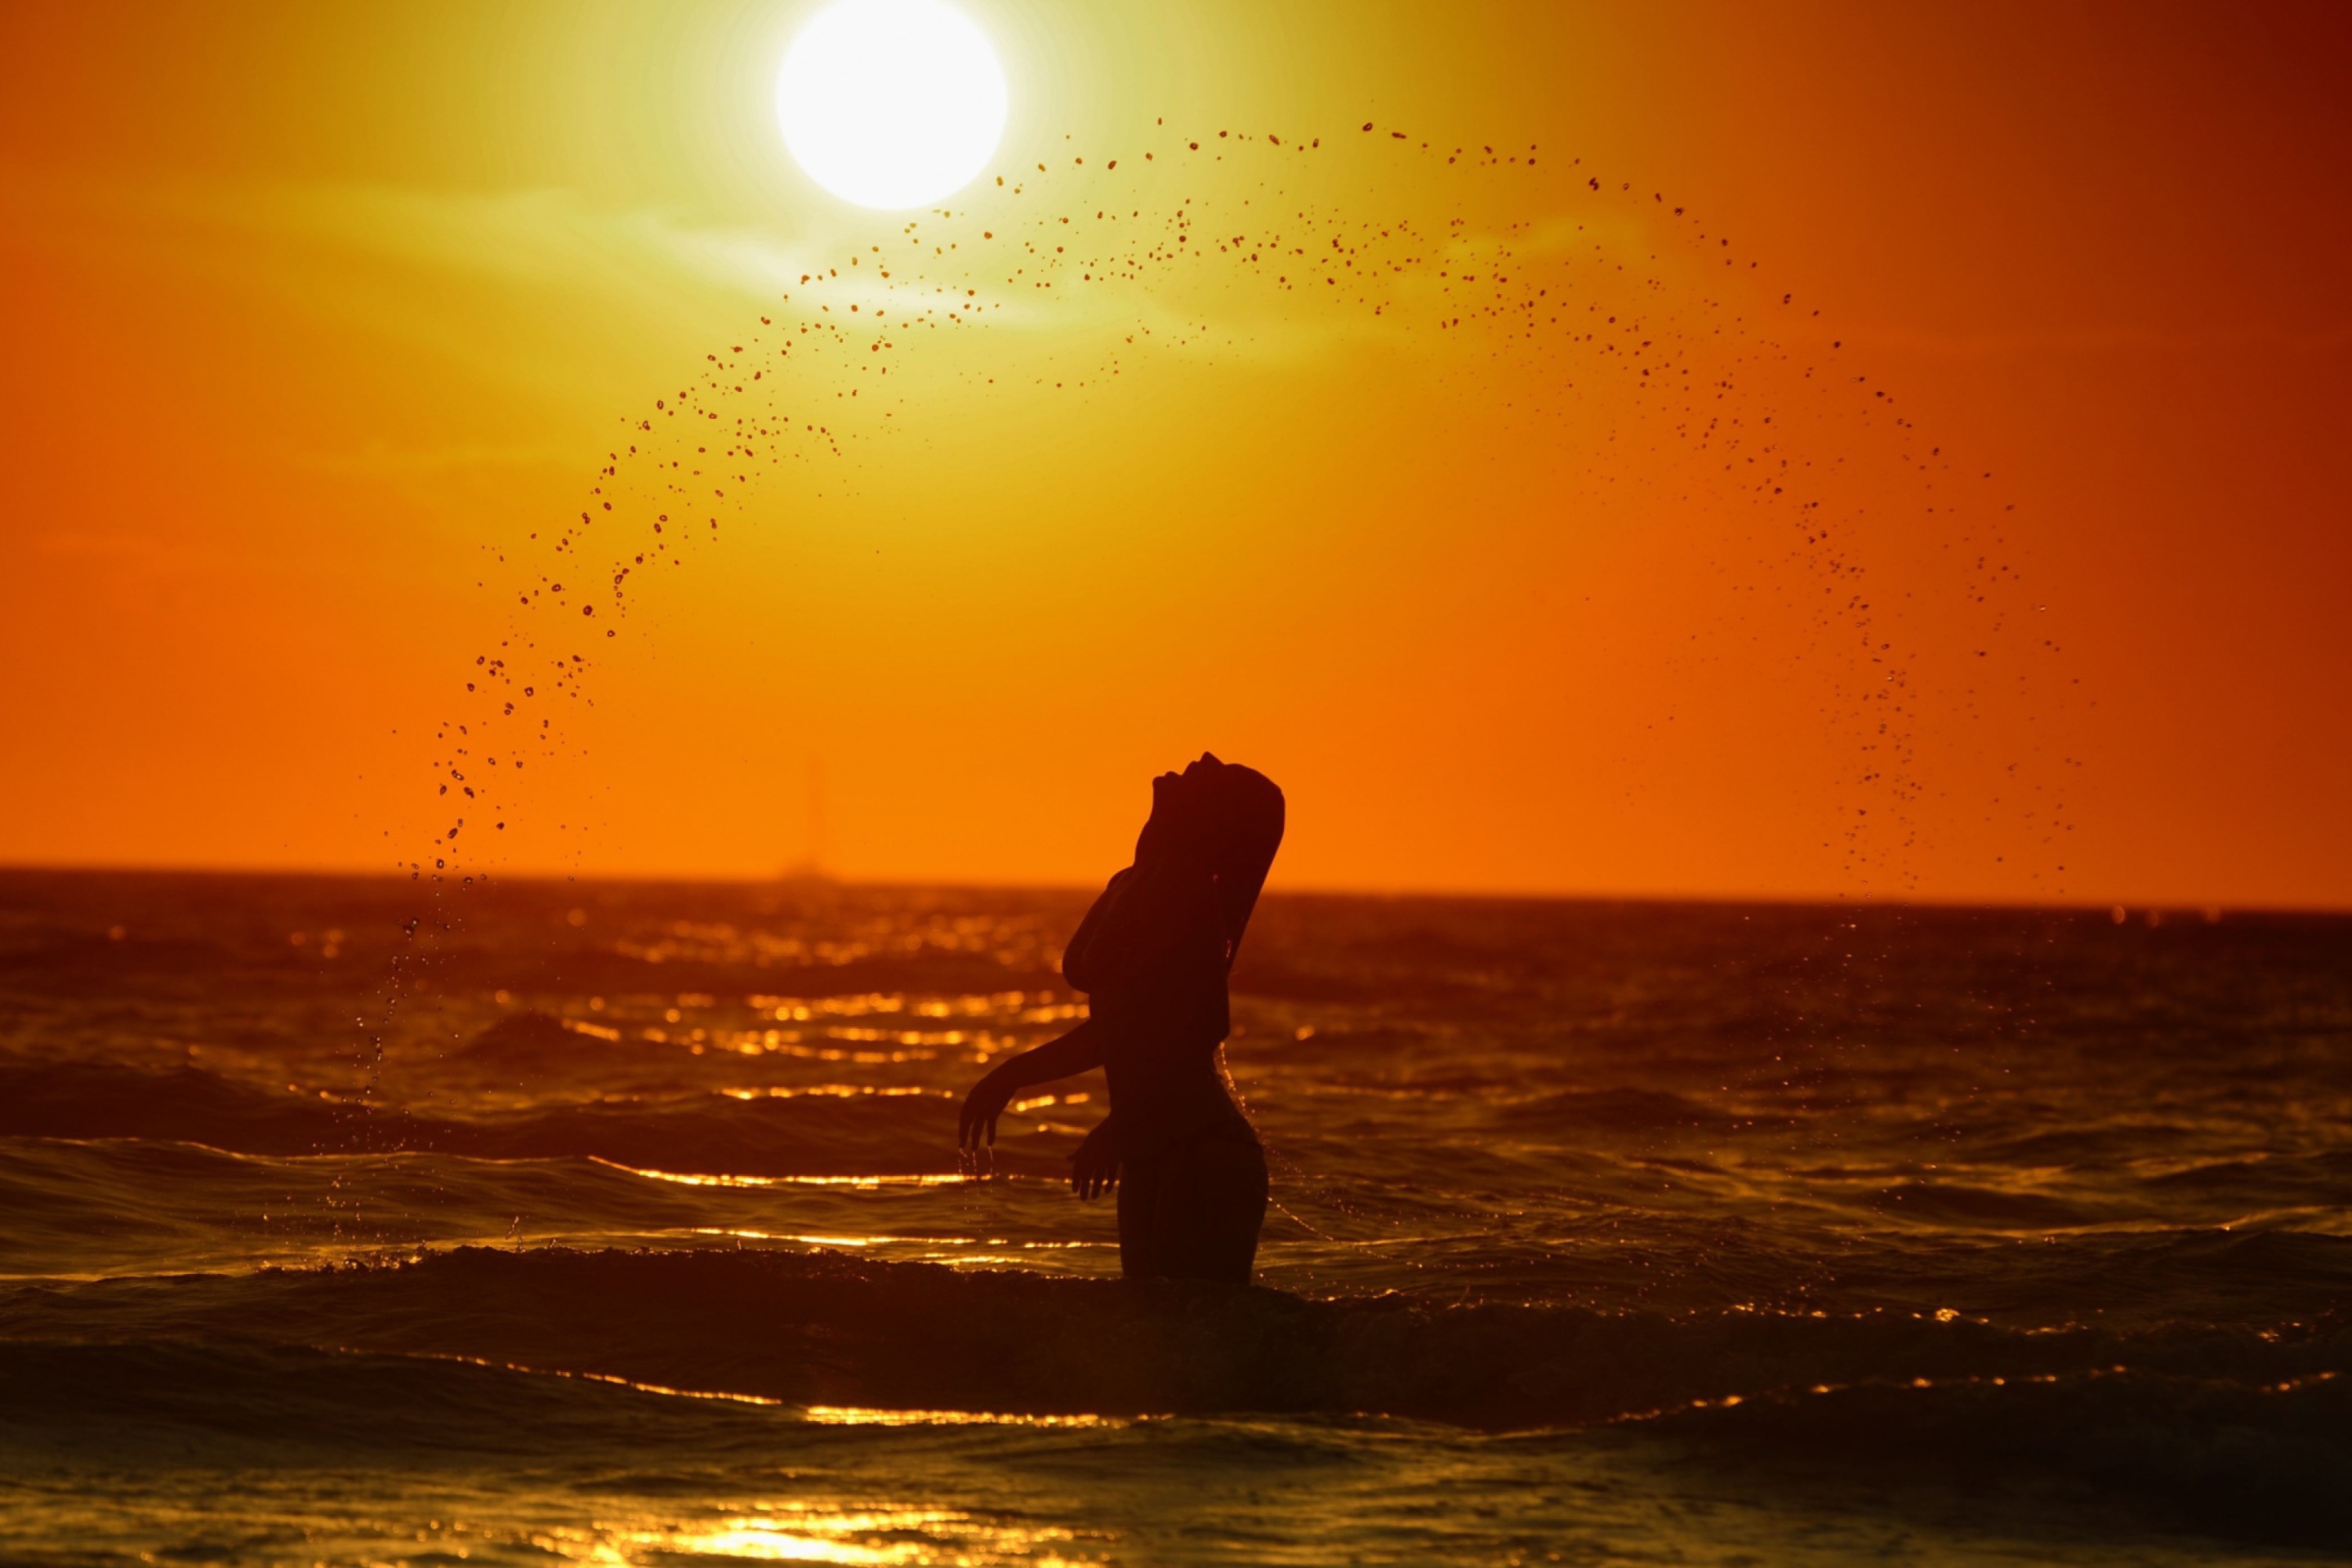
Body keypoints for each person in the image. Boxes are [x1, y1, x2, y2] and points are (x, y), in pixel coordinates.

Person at [957, 753, 1285, 1284]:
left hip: (1201, 1151)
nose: (1199, 758)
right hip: (1155, 1142)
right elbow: (1122, 1027)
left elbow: (1201, 1026)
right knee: (1154, 1333)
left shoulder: (1188, 893)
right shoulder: (1135, 881)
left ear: (1209, 818)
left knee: (1192, 1338)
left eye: (1213, 774)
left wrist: (1121, 1125)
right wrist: (1013, 1074)